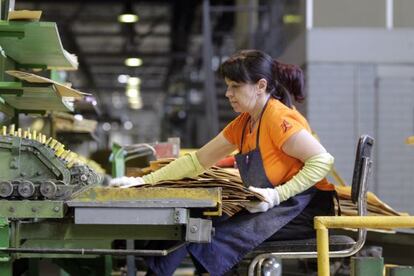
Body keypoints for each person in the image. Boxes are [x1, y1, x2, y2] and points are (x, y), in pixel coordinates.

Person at [110, 49, 336, 275]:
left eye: (235, 86)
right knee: (199, 221)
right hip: (278, 205)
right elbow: (196, 161)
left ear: (260, 86)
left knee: (213, 236)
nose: (228, 93)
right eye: (227, 86)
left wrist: (277, 195)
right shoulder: (244, 123)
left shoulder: (279, 119)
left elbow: (322, 160)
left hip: (304, 209)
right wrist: (143, 181)